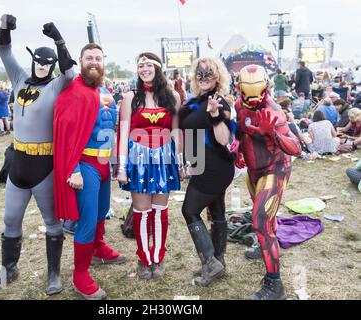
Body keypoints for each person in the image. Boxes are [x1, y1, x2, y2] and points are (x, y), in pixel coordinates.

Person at [0, 14, 76, 296]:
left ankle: (53, 275)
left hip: (43, 167)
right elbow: (4, 51)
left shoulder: (56, 85)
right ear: (32, 59)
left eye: (48, 62)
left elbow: (70, 73)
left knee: (51, 223)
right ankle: (8, 270)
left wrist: (59, 40)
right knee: (11, 221)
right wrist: (3, 27)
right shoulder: (19, 78)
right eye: (38, 59)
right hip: (18, 165)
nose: (42, 64)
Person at [54, 43, 126, 300]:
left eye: (98, 58)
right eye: (89, 58)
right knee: (86, 220)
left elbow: (112, 129)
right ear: (81, 61)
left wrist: (117, 163)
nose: (94, 62)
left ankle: (97, 248)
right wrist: (73, 169)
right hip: (84, 164)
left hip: (105, 164)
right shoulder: (73, 92)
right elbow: (66, 132)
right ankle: (80, 274)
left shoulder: (106, 91)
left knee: (100, 212)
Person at [235, 64, 301, 300]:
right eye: (247, 94)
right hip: (254, 171)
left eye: (257, 94)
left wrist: (273, 132)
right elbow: (241, 132)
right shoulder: (238, 106)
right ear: (239, 88)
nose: (252, 101)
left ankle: (275, 286)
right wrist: (238, 150)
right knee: (265, 221)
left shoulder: (274, 112)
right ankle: (266, 247)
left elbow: (296, 148)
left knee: (260, 221)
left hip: (275, 168)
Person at [117, 52, 183, 280]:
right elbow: (124, 133)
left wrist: (181, 162)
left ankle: (158, 256)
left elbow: (176, 131)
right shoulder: (130, 97)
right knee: (141, 212)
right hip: (138, 159)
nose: (144, 68)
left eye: (148, 64)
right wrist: (122, 167)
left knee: (160, 212)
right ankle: (144, 258)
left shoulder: (172, 96)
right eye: (140, 65)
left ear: (158, 68)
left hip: (163, 159)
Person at [179, 57, 235, 287]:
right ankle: (217, 261)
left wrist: (215, 116)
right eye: (199, 74)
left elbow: (224, 139)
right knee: (216, 209)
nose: (204, 78)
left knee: (189, 210)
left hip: (215, 167)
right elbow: (189, 136)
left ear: (217, 77)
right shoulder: (194, 101)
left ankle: (210, 262)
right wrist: (187, 166)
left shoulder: (219, 102)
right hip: (199, 164)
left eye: (209, 74)